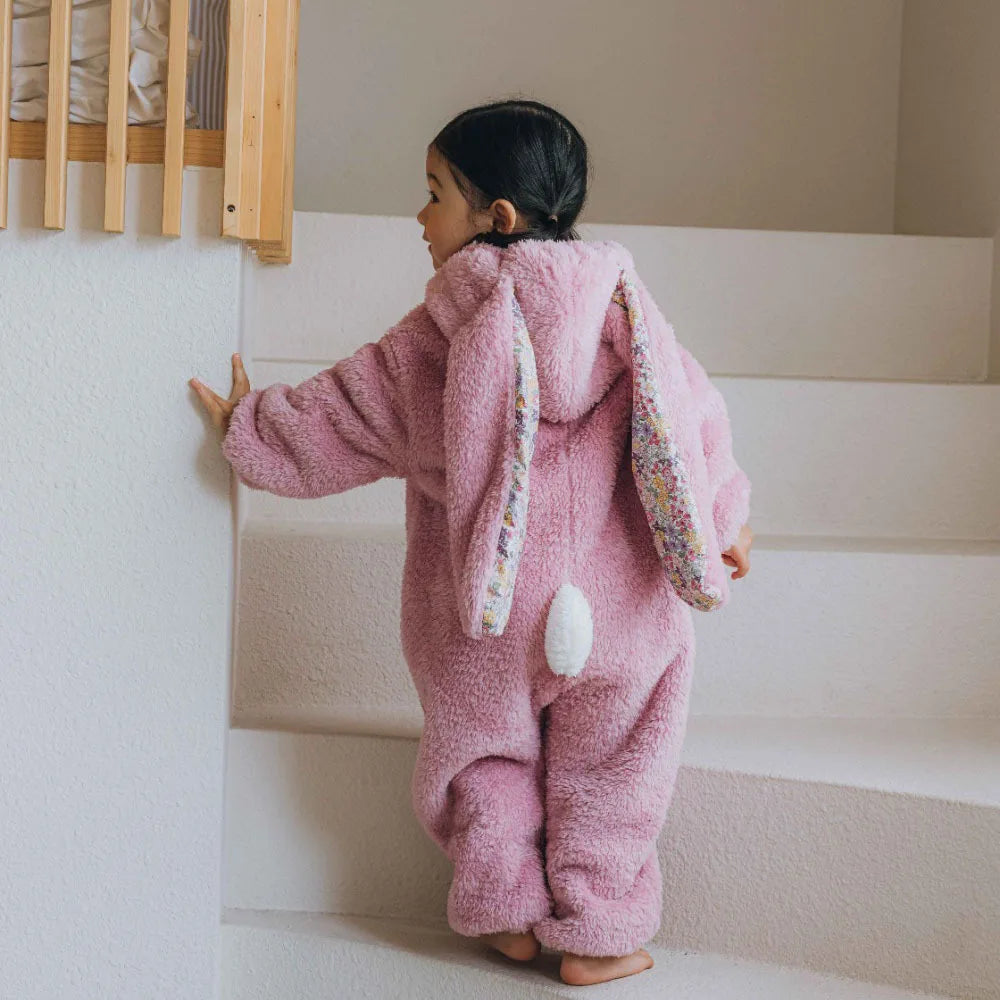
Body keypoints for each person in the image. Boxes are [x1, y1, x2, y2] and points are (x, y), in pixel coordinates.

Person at [190, 98, 752, 988]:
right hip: (619, 606)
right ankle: (600, 934)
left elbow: (348, 413)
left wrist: (250, 427)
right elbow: (690, 422)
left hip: (488, 606)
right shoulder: (630, 316)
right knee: (617, 760)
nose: (419, 218)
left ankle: (506, 916)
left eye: (433, 195)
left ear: (495, 217)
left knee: (483, 750)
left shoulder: (437, 338)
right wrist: (725, 519)